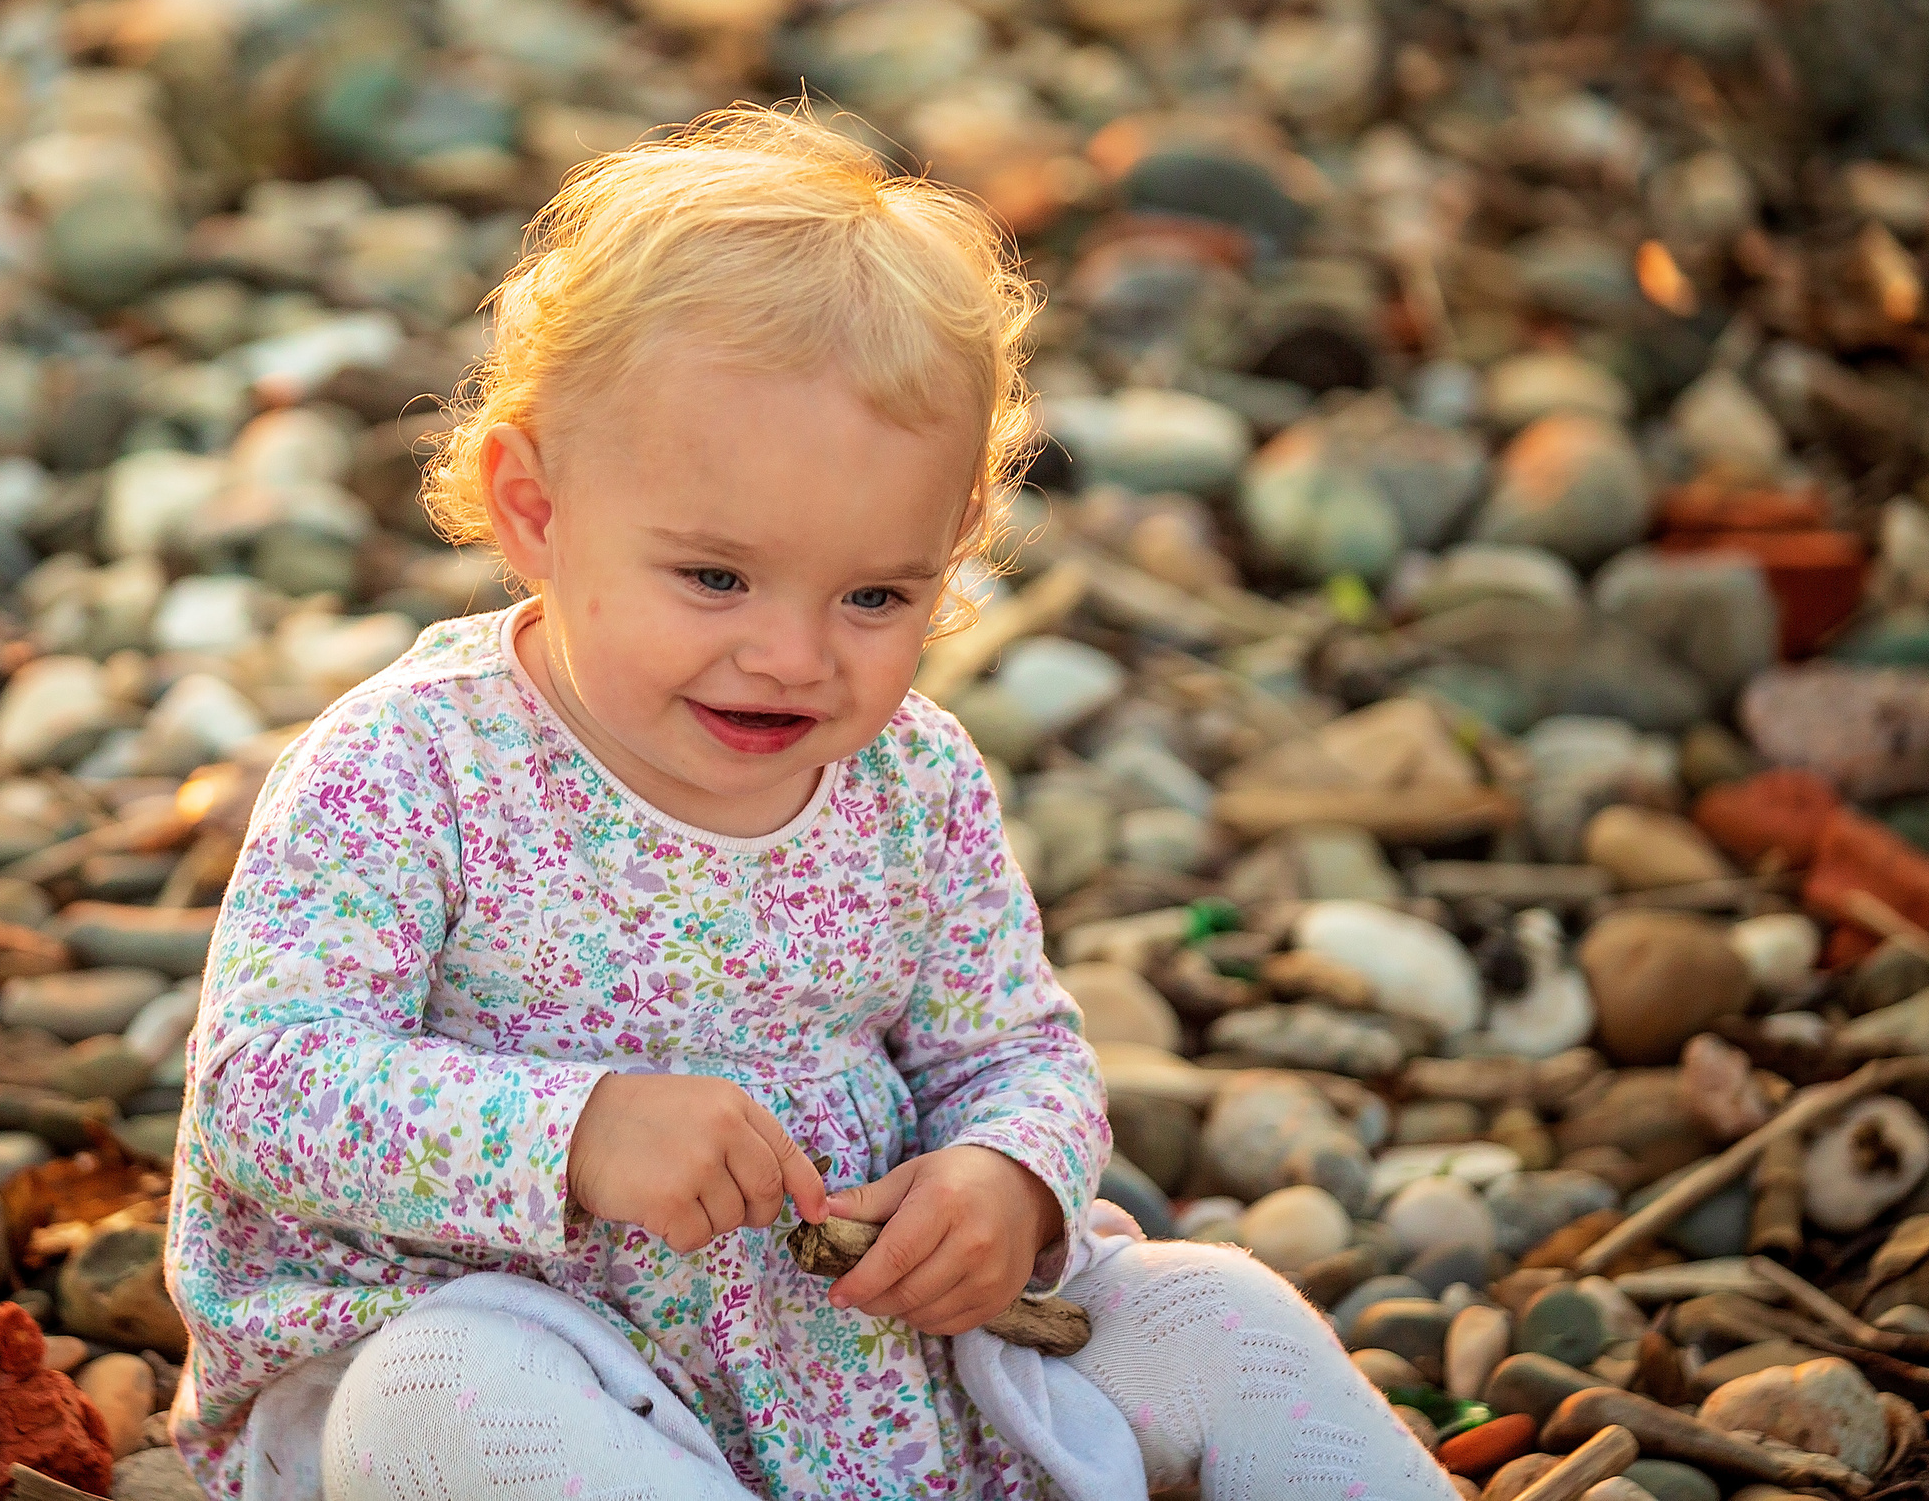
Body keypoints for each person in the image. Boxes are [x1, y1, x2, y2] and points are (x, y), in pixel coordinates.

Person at [164, 105, 1458, 1501]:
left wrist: (1004, 1183)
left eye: (877, 596)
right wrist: (576, 1132)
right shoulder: (411, 770)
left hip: (880, 1375)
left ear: (952, 549)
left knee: (1221, 1314)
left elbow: (1015, 1052)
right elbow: (267, 1085)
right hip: (540, 1352)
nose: (792, 655)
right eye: (716, 579)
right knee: (439, 1403)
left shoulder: (914, 781)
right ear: (535, 511)